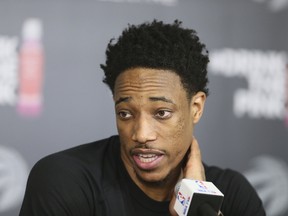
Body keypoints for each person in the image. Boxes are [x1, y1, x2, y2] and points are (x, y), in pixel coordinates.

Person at [19, 20, 266, 216]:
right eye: (125, 113)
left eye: (161, 113)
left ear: (196, 107)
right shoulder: (65, 181)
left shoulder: (233, 194)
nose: (141, 134)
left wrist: (199, 207)